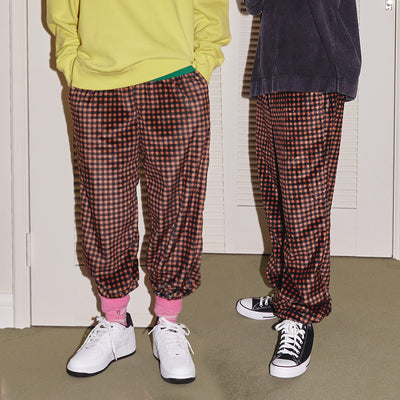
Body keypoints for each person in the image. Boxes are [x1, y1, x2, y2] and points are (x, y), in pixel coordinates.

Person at [47, 0, 230, 383]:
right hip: (97, 86)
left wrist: (201, 65)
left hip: (175, 79)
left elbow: (210, 9)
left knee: (177, 207)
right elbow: (62, 13)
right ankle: (116, 323)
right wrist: (71, 64)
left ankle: (168, 322)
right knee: (104, 212)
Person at [236, 0, 361, 378]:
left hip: (317, 66)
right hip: (272, 68)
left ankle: (302, 310)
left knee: (304, 204)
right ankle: (287, 292)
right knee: (276, 197)